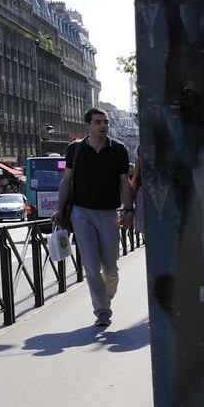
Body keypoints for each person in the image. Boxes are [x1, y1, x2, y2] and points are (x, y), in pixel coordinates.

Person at [56, 108, 134, 328]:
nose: (103, 125)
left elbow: (124, 183)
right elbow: (66, 181)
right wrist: (59, 209)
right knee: (91, 267)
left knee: (111, 269)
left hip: (109, 212)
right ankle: (102, 311)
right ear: (87, 125)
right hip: (81, 213)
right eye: (98, 122)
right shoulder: (75, 148)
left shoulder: (118, 149)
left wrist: (129, 210)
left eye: (106, 122)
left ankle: (106, 298)